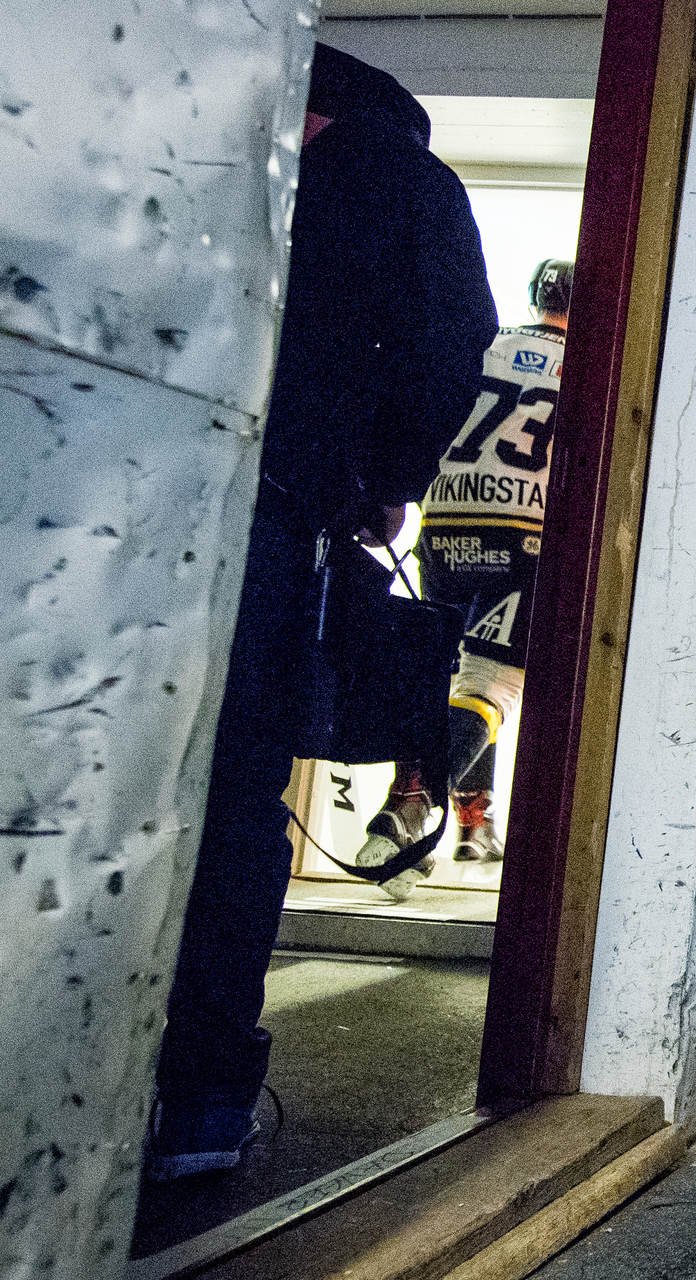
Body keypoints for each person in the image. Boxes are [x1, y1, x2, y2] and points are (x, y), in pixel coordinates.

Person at [147, 43, 496, 1181]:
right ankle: (201, 1106)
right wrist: (382, 475)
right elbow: (448, 340)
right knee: (237, 796)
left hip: (105, 501)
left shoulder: (168, 133)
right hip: (273, 510)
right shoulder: (404, 181)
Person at [355, 259, 571, 899]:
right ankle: (409, 808)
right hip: (522, 529)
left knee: (450, 675)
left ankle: (470, 824)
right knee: (493, 683)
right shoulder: (585, 361)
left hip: (447, 524)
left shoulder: (486, 345)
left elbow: (420, 409)